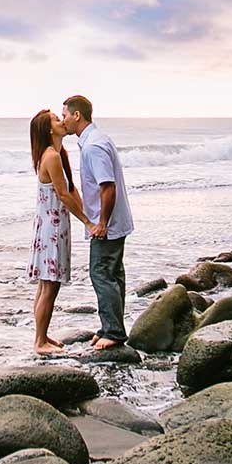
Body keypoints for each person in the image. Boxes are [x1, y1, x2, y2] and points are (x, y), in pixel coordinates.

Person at [61, 94, 134, 349]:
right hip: (115, 221)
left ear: (77, 115)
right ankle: (110, 327)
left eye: (65, 116)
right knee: (113, 275)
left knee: (101, 274)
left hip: (109, 224)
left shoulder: (93, 146)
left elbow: (107, 187)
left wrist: (101, 223)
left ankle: (113, 332)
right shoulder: (96, 140)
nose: (64, 121)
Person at [27, 108, 90, 354]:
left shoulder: (57, 153)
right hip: (51, 228)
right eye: (56, 119)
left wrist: (89, 215)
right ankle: (40, 342)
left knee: (45, 286)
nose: (62, 121)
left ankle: (42, 336)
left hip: (51, 226)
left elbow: (71, 190)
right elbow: (63, 195)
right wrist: (87, 221)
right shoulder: (51, 156)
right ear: (48, 129)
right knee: (49, 286)